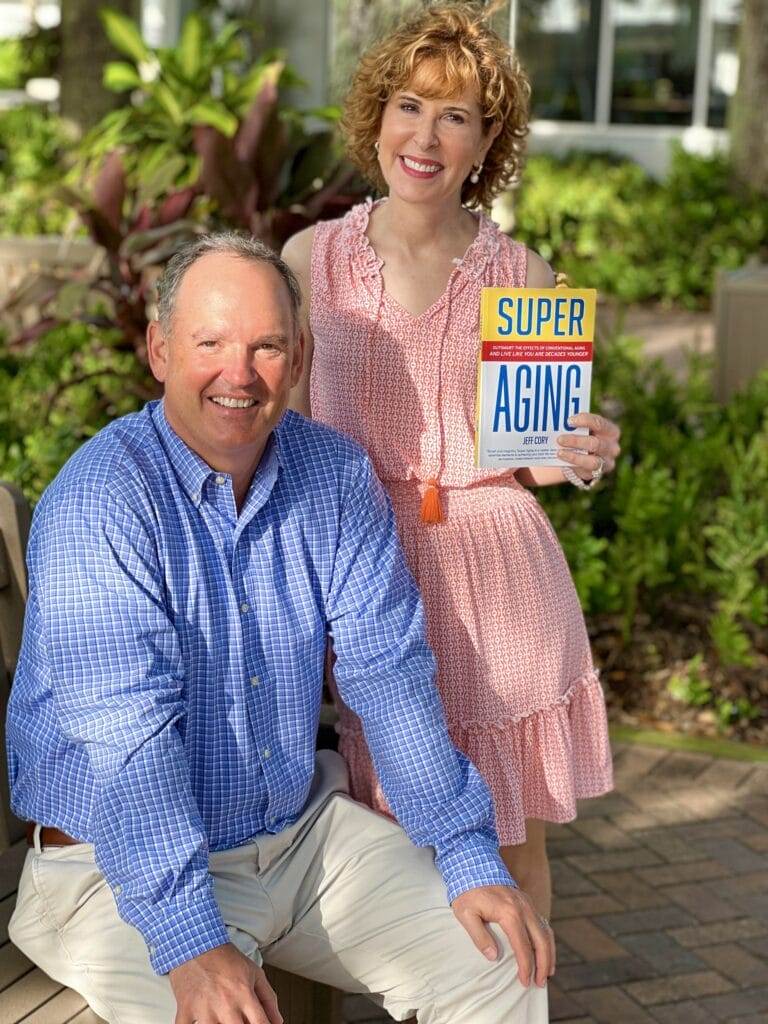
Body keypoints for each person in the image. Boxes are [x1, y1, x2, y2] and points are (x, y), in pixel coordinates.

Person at [6, 234, 551, 1024]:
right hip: (112, 869)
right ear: (159, 350)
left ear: (299, 359)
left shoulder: (331, 473)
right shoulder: (105, 500)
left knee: (500, 961)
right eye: (211, 343)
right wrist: (192, 943)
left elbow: (389, 677)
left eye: (266, 346)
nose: (240, 372)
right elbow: (131, 745)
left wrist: (468, 854)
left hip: (295, 841)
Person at [283, 1, 620, 922]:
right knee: (386, 845)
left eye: (456, 116)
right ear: (377, 119)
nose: (425, 136)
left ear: (485, 143)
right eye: (408, 106)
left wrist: (587, 450)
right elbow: (288, 438)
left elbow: (540, 462)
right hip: (367, 566)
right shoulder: (312, 259)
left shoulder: (524, 276)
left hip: (497, 568)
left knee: (513, 844)